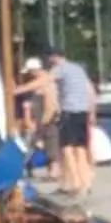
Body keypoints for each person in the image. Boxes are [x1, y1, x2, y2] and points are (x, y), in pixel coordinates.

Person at [46, 50, 97, 197]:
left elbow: (45, 82)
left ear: (54, 57)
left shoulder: (59, 69)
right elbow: (90, 91)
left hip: (68, 111)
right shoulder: (78, 69)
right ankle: (85, 183)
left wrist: (19, 89)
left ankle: (73, 183)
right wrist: (92, 112)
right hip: (82, 111)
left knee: (67, 149)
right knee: (80, 149)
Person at [12, 56, 56, 161]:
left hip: (47, 116)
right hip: (45, 115)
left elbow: (22, 89)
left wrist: (11, 88)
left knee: (38, 142)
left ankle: (24, 163)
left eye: (30, 72)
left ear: (35, 70)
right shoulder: (46, 78)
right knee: (44, 144)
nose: (30, 74)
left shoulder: (43, 79)